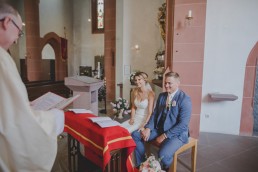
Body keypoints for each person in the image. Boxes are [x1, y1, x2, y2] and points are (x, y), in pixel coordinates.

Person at [0, 2, 64, 171]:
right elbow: (18, 127)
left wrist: (20, 106)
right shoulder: (2, 60)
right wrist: (54, 118)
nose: (16, 41)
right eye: (19, 33)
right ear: (6, 22)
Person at [132, 72, 192, 170]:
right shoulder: (162, 96)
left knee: (163, 155)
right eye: (165, 83)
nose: (166, 85)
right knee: (135, 135)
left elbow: (183, 125)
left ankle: (165, 168)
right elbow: (155, 114)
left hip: (177, 134)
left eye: (169, 83)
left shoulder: (185, 99)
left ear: (178, 83)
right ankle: (143, 165)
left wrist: (165, 135)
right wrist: (148, 128)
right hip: (159, 129)